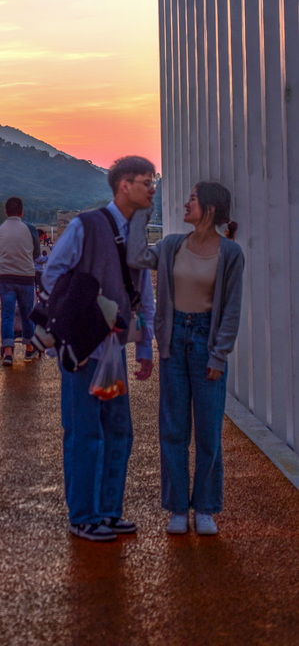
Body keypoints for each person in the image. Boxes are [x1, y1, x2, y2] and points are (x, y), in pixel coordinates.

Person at [41, 156, 156, 542]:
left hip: (115, 351)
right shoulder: (85, 225)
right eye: (146, 182)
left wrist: (143, 347)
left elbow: (142, 292)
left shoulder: (137, 231)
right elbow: (53, 273)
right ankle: (83, 515)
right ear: (124, 185)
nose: (151, 189)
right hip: (83, 351)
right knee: (84, 431)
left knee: (118, 430)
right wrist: (81, 319)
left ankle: (108, 511)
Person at [127, 181, 244, 536]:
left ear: (209, 208)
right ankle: (178, 507)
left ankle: (206, 508)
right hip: (175, 340)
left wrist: (219, 355)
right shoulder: (172, 245)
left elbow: (232, 310)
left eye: (192, 199)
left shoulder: (231, 254)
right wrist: (141, 215)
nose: (185, 203)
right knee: (173, 429)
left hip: (207, 341)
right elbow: (135, 256)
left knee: (208, 430)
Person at [0, 197, 41, 366]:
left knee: (7, 314)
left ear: (6, 211)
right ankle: (29, 349)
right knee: (27, 313)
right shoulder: (30, 229)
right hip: (26, 276)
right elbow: (36, 253)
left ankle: (7, 352)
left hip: (5, 276)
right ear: (22, 211)